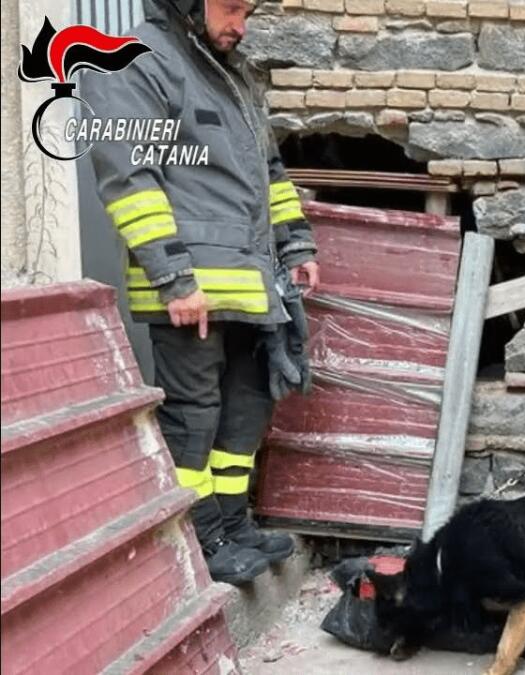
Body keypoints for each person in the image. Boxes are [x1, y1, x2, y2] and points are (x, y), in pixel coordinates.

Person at [84, 0, 319, 585]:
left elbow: (269, 171)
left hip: (250, 283)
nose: (241, 25)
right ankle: (199, 535)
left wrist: (297, 247)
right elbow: (128, 177)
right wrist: (172, 278)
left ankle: (234, 523)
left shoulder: (229, 74)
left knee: (246, 408)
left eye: (248, 11)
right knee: (194, 416)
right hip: (190, 291)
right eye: (231, 8)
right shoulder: (132, 64)